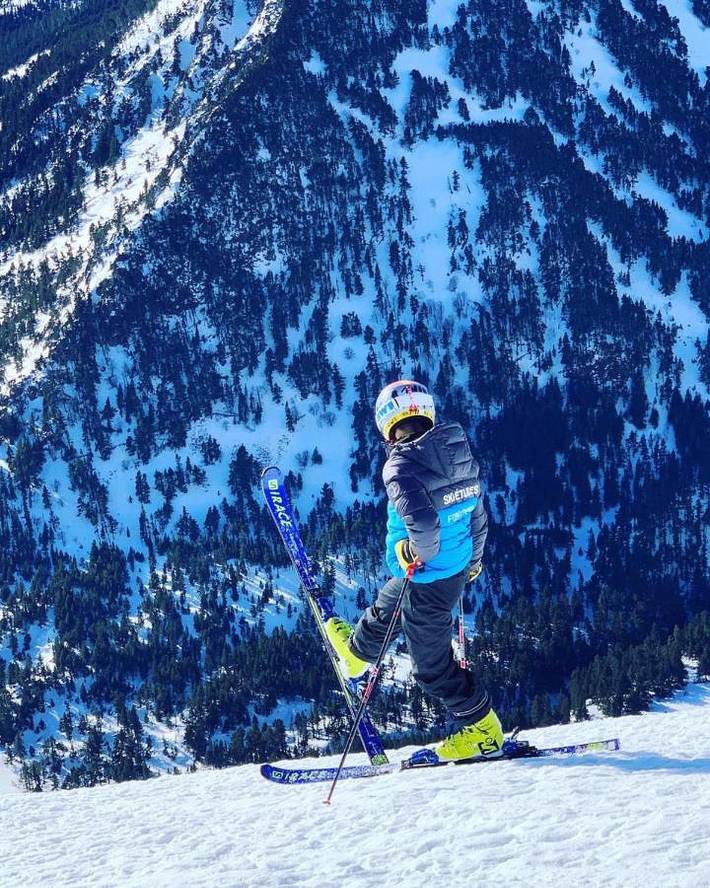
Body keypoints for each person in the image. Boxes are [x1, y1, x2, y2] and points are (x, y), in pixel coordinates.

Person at [325, 379, 503, 760]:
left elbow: (422, 524)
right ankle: (358, 654)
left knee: (431, 665)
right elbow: (476, 510)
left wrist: (414, 551)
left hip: (427, 572)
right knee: (390, 601)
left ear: (385, 424)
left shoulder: (400, 467)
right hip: (453, 567)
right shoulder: (456, 448)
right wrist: (473, 559)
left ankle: (484, 731)